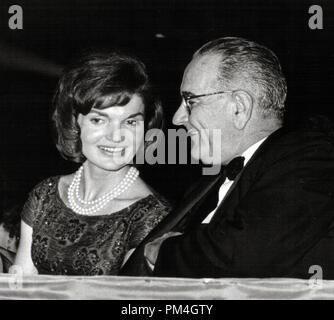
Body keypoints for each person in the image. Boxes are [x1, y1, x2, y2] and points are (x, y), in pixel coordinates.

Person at [120, 37, 334, 279]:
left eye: (191, 101)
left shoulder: (312, 154)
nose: (178, 118)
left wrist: (161, 253)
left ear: (239, 107)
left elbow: (246, 255)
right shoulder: (207, 185)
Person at [13, 52, 171, 275]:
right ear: (75, 123)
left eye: (130, 122)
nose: (116, 137)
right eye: (99, 120)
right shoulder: (45, 195)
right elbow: (22, 284)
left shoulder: (152, 217)